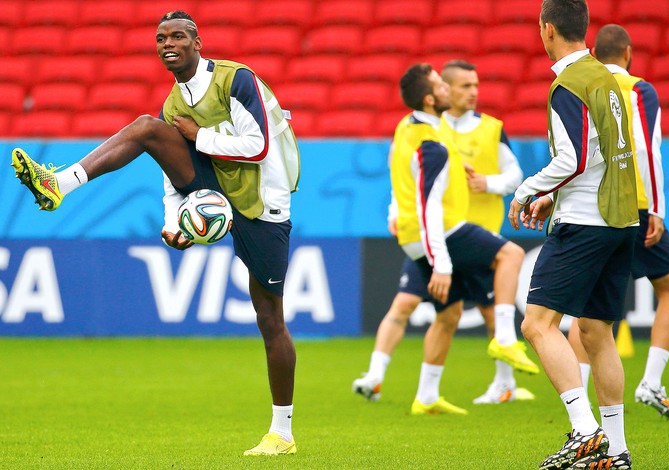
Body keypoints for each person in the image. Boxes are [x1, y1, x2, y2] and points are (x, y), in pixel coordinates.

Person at [11, 11, 300, 456]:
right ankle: (59, 184)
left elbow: (258, 145)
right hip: (215, 187)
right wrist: (173, 218)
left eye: (179, 36)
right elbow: (171, 177)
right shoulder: (174, 105)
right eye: (161, 37)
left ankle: (282, 433)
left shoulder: (236, 80)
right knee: (148, 128)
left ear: (197, 42)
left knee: (269, 318)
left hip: (264, 201)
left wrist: (198, 136)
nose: (169, 43)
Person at [353, 60, 538, 409]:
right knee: (511, 256)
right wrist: (441, 263)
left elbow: (407, 174)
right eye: (443, 86)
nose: (452, 92)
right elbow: (429, 204)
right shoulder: (433, 143)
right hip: (444, 232)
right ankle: (505, 339)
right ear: (429, 98)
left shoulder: (410, 127)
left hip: (419, 235)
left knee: (449, 312)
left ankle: (426, 396)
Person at [508, 1, 639, 469]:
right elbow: (607, 153)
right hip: (621, 218)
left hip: (585, 222)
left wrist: (527, 192)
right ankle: (618, 451)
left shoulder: (568, 84)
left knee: (537, 325)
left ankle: (585, 433)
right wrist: (554, 197)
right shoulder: (607, 78)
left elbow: (575, 158)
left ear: (546, 29)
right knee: (596, 332)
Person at [567, 23, 669, 420]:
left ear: (596, 55)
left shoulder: (585, 86)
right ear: (629, 53)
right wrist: (657, 210)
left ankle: (578, 400)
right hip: (634, 204)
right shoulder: (638, 90)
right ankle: (651, 381)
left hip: (592, 207)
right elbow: (646, 149)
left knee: (587, 310)